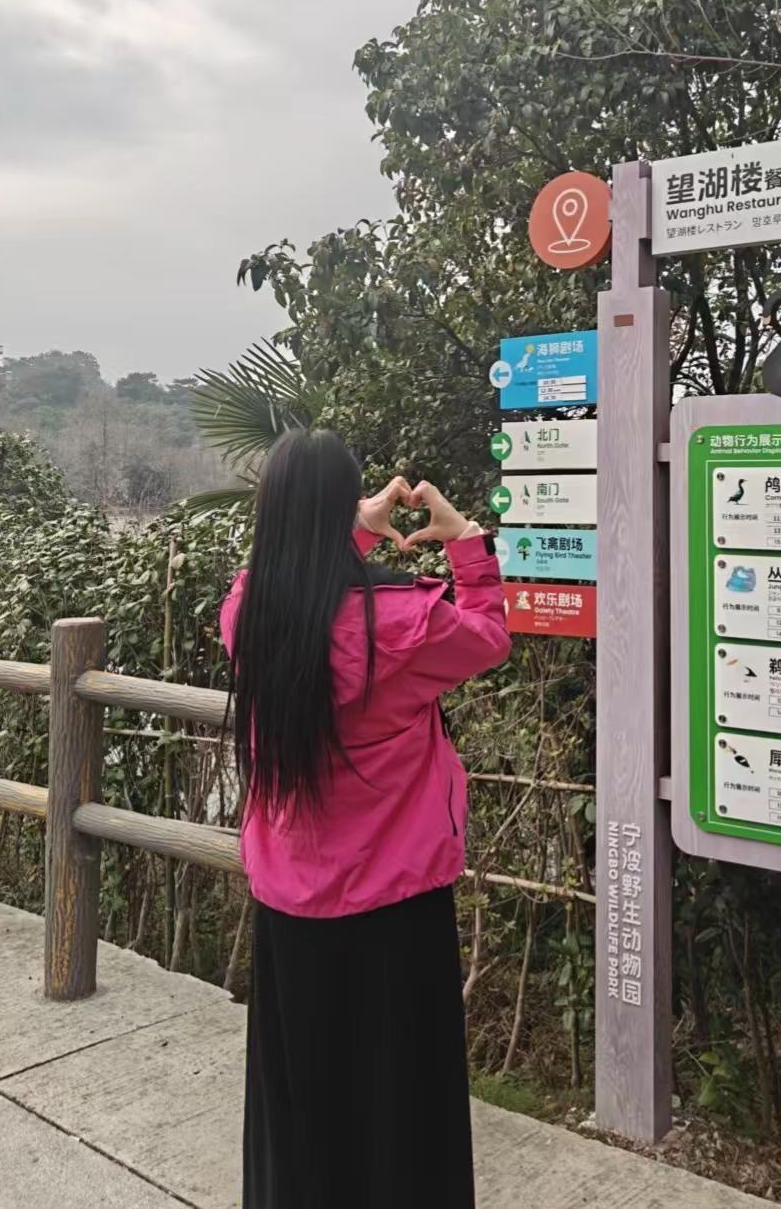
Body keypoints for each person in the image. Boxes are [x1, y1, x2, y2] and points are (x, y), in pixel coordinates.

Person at [219, 428, 511, 1209]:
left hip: (288, 906)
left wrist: (349, 528)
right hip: (397, 906)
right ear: (341, 507)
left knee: (300, 1101)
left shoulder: (250, 616)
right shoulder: (404, 626)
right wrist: (466, 539)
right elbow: (489, 638)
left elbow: (288, 576)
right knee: (398, 1104)